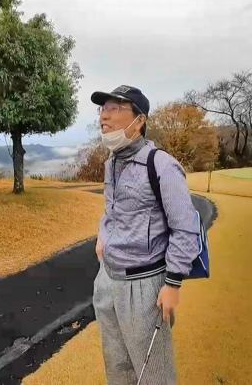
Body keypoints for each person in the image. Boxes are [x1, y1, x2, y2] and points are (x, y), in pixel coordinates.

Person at [91, 85, 201, 384]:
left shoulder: (161, 165)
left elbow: (185, 227)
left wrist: (173, 283)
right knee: (118, 366)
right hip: (108, 279)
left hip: (144, 285)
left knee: (153, 373)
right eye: (103, 109)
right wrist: (103, 235)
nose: (104, 116)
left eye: (115, 109)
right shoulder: (112, 162)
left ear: (139, 121)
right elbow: (112, 210)